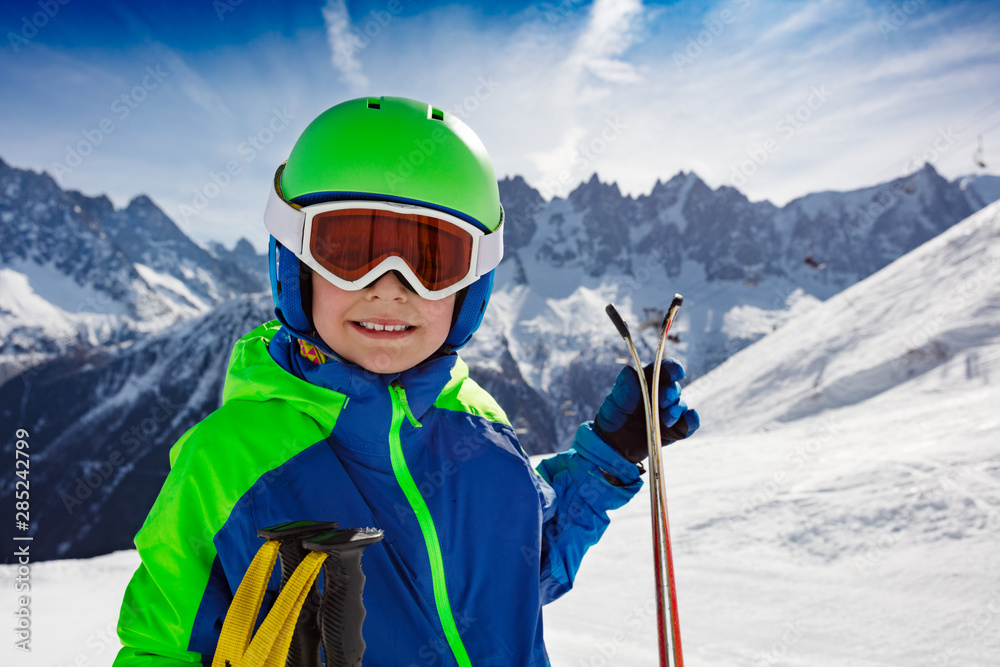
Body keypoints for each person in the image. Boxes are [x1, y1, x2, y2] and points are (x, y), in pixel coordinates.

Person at [114, 96, 699, 666]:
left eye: (431, 259)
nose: (391, 286)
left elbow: (519, 570)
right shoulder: (227, 461)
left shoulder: (478, 422)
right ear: (294, 264)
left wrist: (604, 458)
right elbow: (158, 646)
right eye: (348, 249)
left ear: (470, 289)